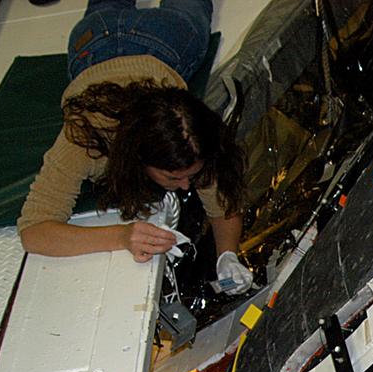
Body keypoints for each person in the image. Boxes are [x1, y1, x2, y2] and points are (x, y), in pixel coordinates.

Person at [18, 0, 253, 290]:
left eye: (190, 176)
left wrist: (227, 254)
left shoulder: (187, 134)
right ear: (139, 157)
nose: (185, 186)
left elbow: (222, 206)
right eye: (173, 177)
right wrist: (120, 236)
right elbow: (34, 231)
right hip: (132, 42)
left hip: (108, 35)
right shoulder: (85, 138)